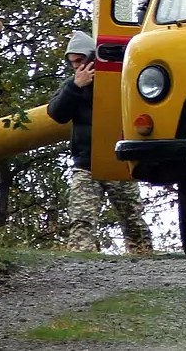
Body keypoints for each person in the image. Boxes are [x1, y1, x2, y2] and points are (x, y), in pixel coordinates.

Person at [47, 30, 154, 255]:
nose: (76, 66)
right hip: (86, 165)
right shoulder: (73, 85)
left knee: (133, 219)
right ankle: (80, 263)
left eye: (79, 61)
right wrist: (76, 87)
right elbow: (56, 113)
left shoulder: (118, 79)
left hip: (117, 161)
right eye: (72, 63)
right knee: (81, 219)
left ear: (90, 57)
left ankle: (144, 261)